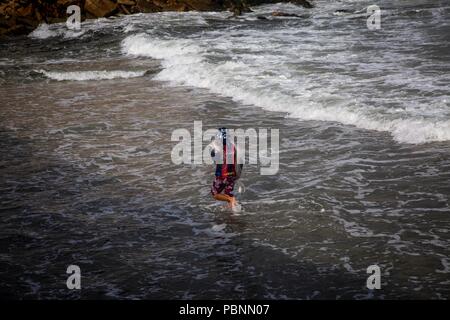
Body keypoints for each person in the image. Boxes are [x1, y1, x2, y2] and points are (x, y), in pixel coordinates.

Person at [210, 127, 243, 209]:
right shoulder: (233, 147)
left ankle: (230, 200)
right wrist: (238, 175)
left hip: (222, 175)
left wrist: (213, 148)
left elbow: (214, 158)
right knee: (228, 193)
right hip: (233, 175)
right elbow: (240, 161)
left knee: (215, 194)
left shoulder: (218, 148)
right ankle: (233, 212)